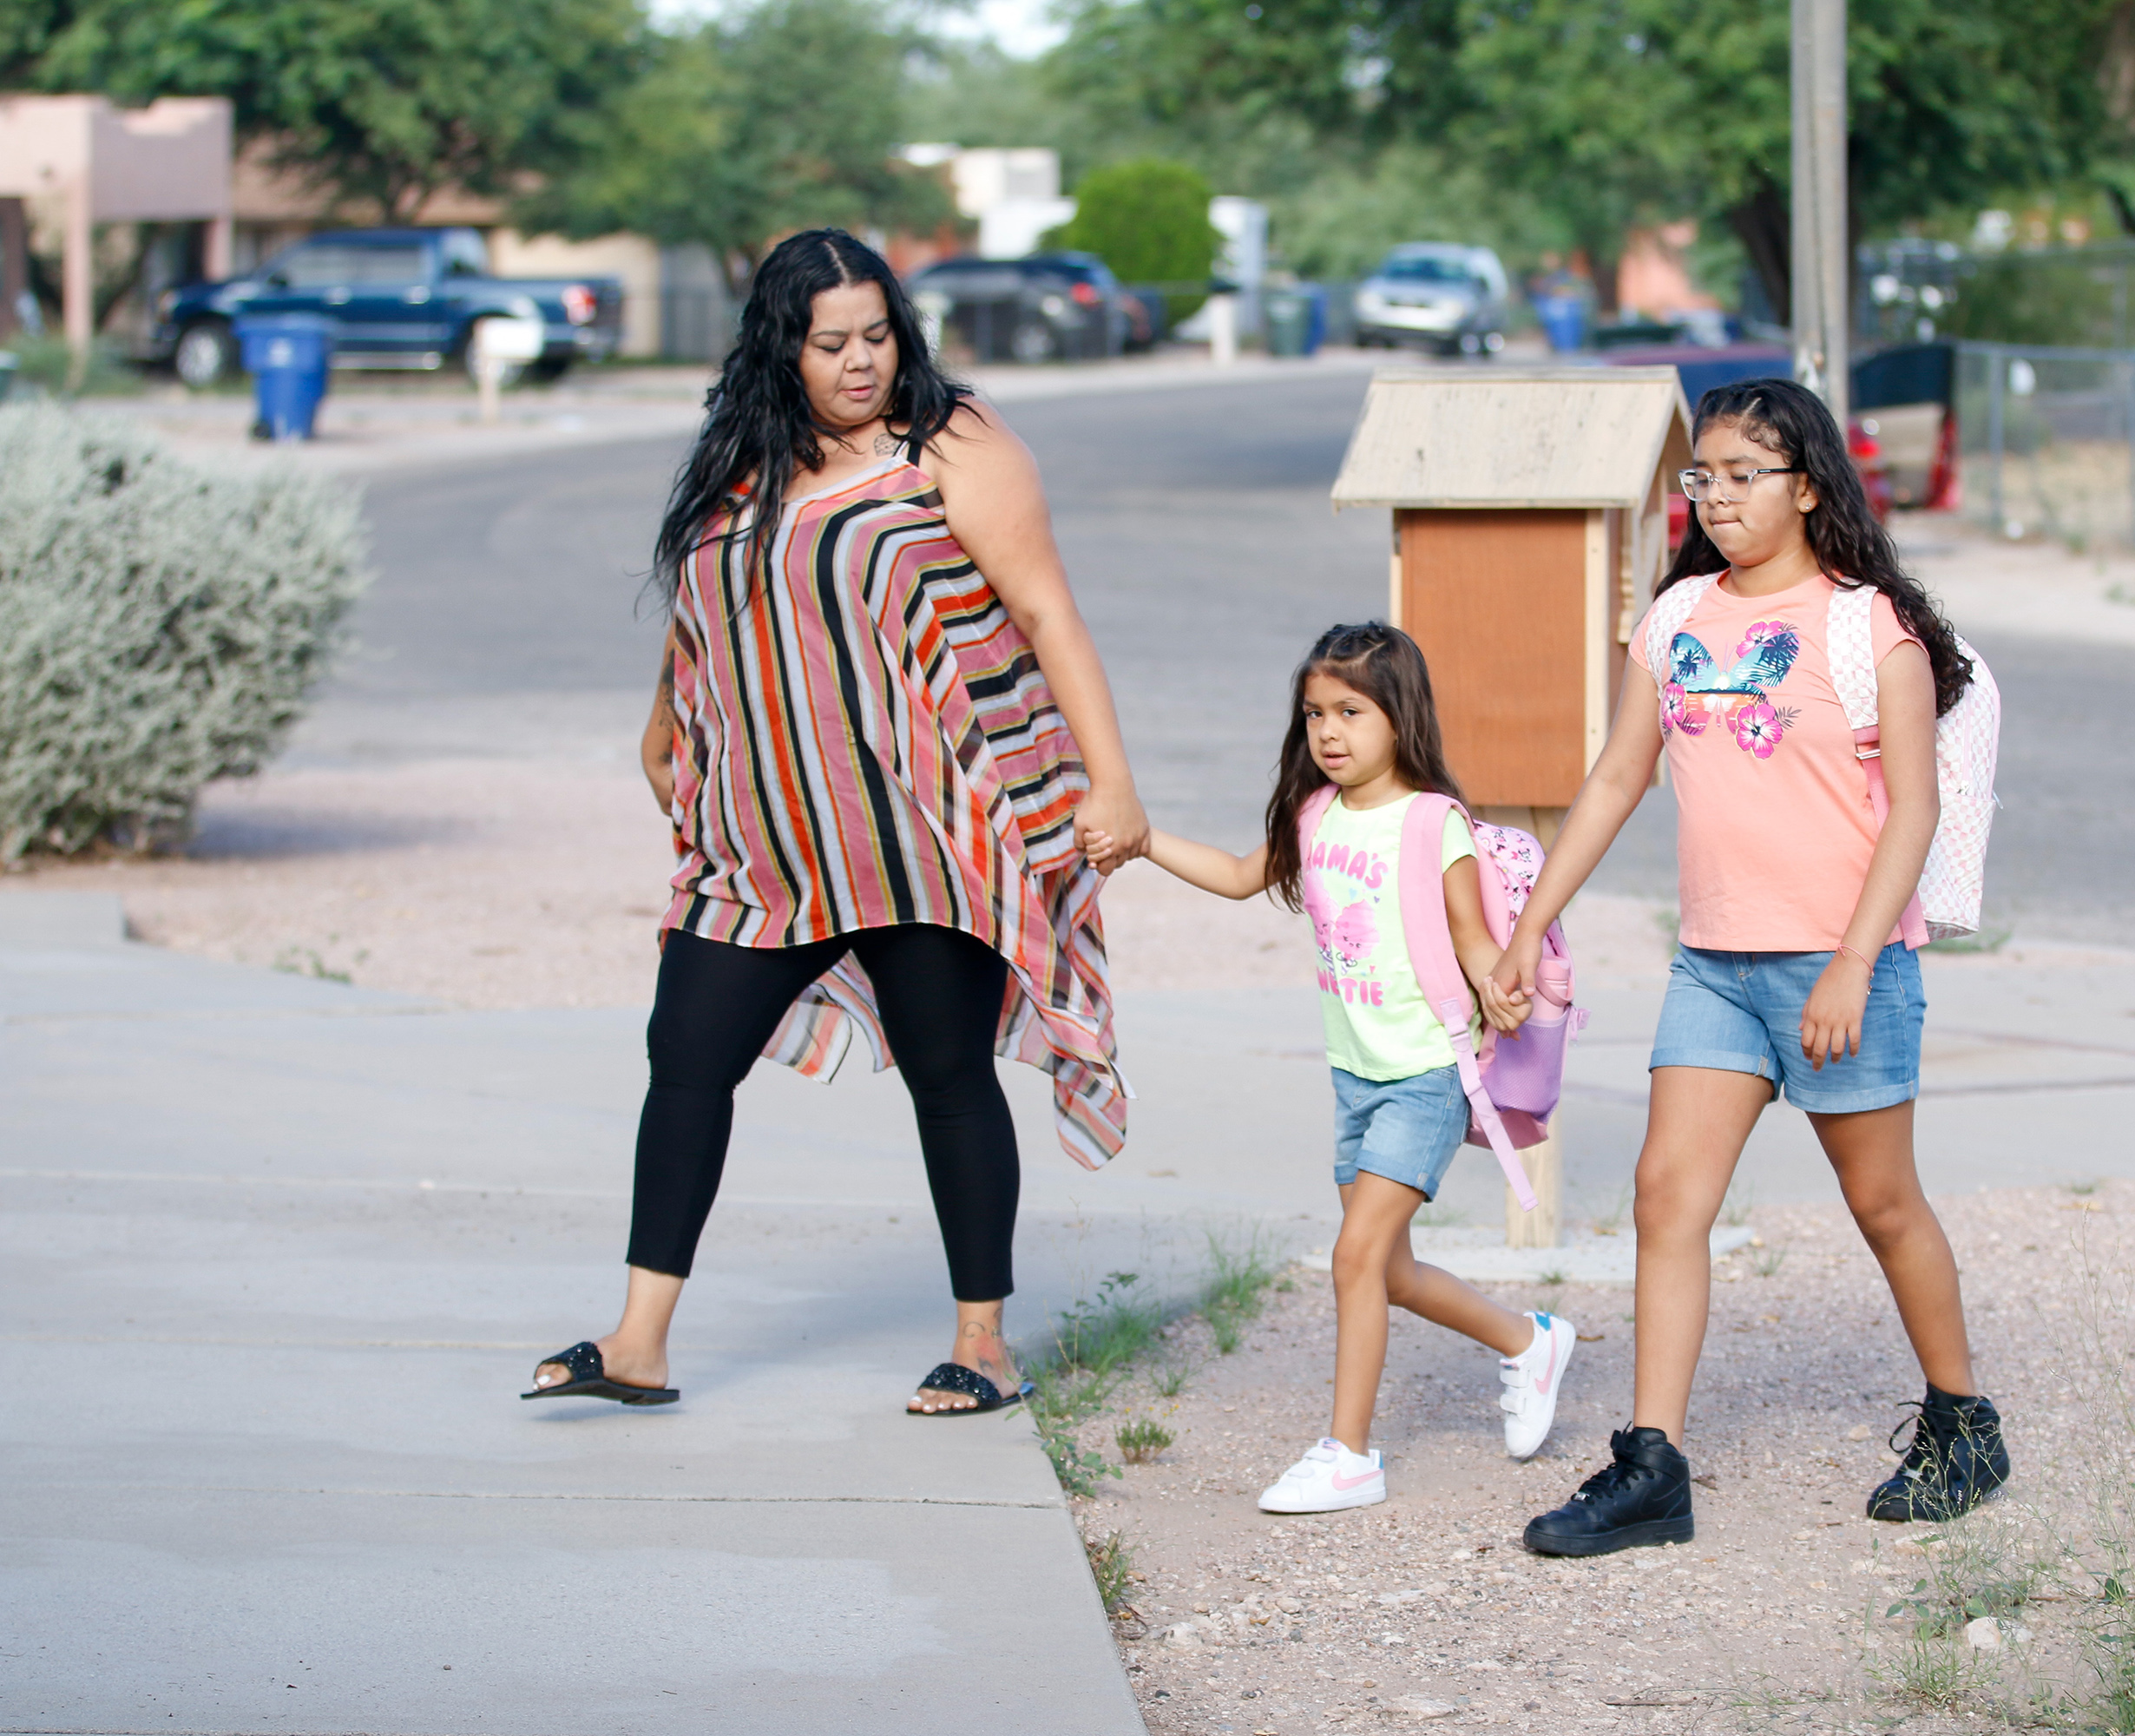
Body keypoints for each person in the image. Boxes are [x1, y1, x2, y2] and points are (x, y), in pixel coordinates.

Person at [523, 229, 1146, 1418]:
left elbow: (1048, 612)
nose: (861, 362)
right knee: (686, 1058)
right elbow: (712, 594)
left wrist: (1109, 782)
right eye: (831, 343)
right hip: (764, 840)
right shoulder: (747, 456)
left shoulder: (951, 442)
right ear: (781, 348)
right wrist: (662, 723)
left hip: (916, 832)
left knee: (948, 1074)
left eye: (877, 335)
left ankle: (984, 1344)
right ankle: (640, 1339)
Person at [1492, 378, 2011, 1556]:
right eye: (1703, 477)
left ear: (1810, 488)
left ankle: (1962, 1423)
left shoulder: (1868, 626)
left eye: (1743, 476)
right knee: (1666, 1196)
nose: (1718, 497)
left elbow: (1914, 813)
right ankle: (1653, 1465)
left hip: (1847, 965)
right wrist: (1529, 926)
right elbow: (1619, 777)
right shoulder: (1675, 615)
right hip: (1716, 969)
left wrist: (1851, 963)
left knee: (1882, 1201)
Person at [1089, 623, 1576, 1511]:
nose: (1329, 730)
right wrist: (1145, 840)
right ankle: (1527, 1338)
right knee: (1387, 1270)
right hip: (1354, 1076)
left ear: (1401, 715)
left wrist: (1499, 987)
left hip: (1425, 1073)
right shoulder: (1317, 815)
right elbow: (1243, 876)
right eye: (1315, 712)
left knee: (1353, 1255)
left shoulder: (1435, 824)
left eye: (1351, 710)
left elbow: (1473, 937)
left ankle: (1349, 1452)